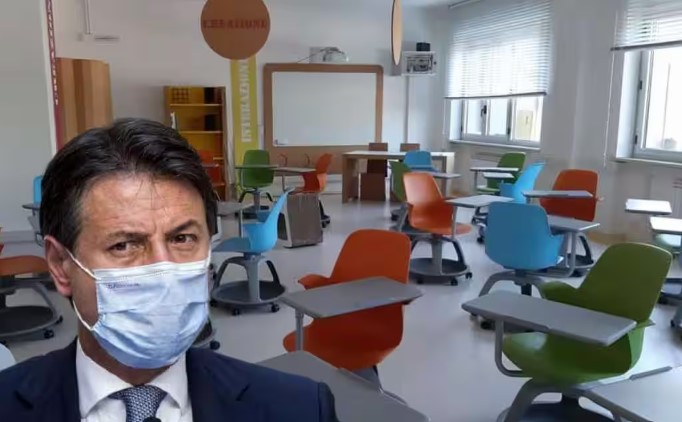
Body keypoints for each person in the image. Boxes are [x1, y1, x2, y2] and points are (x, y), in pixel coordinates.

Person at [0, 119, 338, 422]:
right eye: (124, 245)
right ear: (61, 266)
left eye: (182, 238)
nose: (164, 271)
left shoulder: (301, 409)